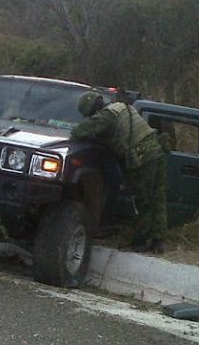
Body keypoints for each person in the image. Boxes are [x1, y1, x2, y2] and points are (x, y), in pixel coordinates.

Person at [70, 91, 169, 254]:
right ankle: (157, 242)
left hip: (144, 158)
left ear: (93, 108)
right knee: (158, 198)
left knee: (142, 201)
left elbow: (81, 131)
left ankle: (140, 241)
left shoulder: (108, 115)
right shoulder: (123, 107)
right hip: (157, 154)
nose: (92, 116)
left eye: (90, 114)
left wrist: (73, 133)